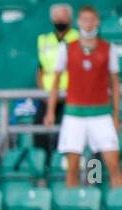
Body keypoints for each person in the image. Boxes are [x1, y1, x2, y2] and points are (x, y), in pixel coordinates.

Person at [45, 4, 122, 188]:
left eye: (91, 20)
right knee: (73, 165)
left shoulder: (108, 49)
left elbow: (115, 84)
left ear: (97, 21)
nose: (88, 24)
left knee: (112, 163)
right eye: (84, 20)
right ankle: (74, 207)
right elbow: (56, 82)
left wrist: (116, 115)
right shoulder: (67, 49)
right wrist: (50, 110)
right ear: (78, 22)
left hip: (101, 114)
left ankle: (110, 202)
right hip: (75, 115)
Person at [34, 5, 77, 155]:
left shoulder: (78, 39)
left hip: (72, 96)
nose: (60, 20)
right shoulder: (44, 40)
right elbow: (40, 69)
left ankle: (92, 177)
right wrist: (43, 93)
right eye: (57, 17)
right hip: (48, 95)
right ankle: (43, 165)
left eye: (63, 16)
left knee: (68, 133)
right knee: (39, 127)